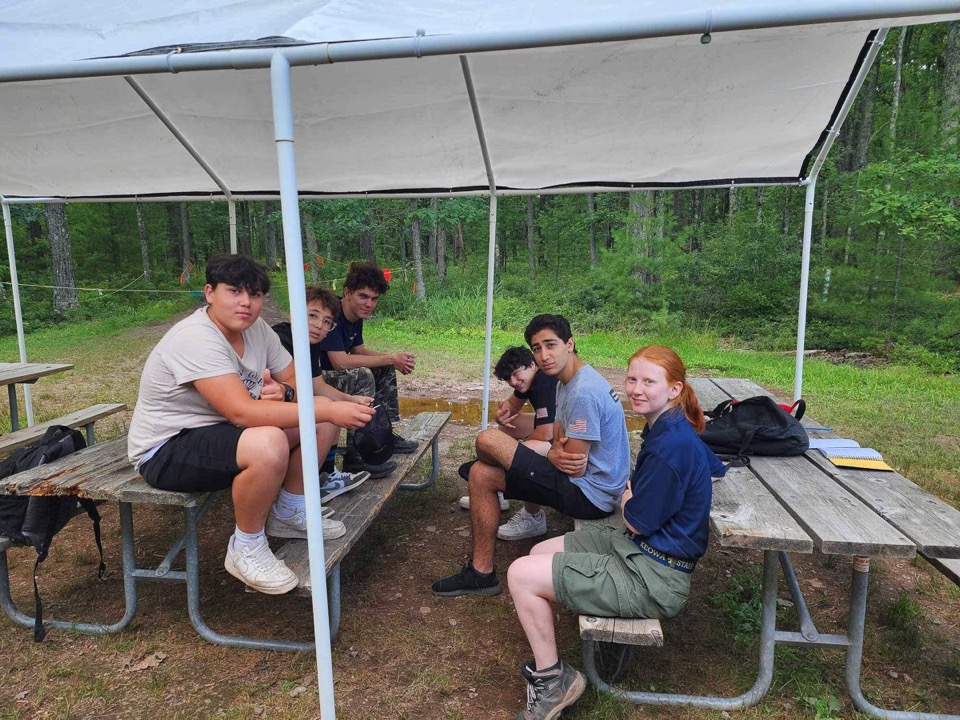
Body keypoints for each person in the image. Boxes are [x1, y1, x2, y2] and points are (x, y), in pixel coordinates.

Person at [127, 254, 375, 596]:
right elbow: (242, 413)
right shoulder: (195, 337)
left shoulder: (258, 331)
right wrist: (322, 409)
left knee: (322, 419)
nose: (246, 302)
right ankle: (246, 546)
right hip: (167, 448)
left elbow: (297, 381)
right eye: (235, 291)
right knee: (276, 438)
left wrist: (287, 391)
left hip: (222, 433)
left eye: (255, 294)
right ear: (210, 293)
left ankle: (289, 510)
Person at [505, 345, 725, 719]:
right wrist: (642, 494)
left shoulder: (671, 445)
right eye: (632, 379)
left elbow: (637, 519)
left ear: (674, 389)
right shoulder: (669, 426)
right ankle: (606, 642)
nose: (636, 389)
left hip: (655, 576)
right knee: (538, 553)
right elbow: (714, 467)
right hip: (638, 548)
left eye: (649, 382)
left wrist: (628, 497)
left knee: (520, 575)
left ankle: (553, 681)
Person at [432, 314, 630, 597]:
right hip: (584, 484)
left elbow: (572, 465)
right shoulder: (565, 381)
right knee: (480, 473)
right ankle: (481, 574)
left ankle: (517, 502)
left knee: (488, 439)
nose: (544, 355)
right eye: (537, 348)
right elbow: (558, 435)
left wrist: (550, 454)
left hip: (591, 495)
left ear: (570, 344)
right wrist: (554, 451)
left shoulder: (583, 392)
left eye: (551, 345)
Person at [272, 285, 397, 479]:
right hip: (271, 416)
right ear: (293, 314)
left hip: (288, 412)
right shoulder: (281, 339)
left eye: (326, 322)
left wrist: (349, 399)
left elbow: (318, 385)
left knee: (332, 407)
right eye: (312, 316)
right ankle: (317, 476)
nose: (318, 325)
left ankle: (327, 473)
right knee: (327, 410)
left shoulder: (311, 344)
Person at [318, 261, 419, 469]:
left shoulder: (355, 315)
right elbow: (340, 361)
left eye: (374, 299)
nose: (369, 304)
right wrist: (390, 358)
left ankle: (384, 434)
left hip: (331, 375)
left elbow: (359, 351)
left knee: (383, 367)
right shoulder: (332, 313)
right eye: (363, 296)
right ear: (347, 292)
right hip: (314, 379)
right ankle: (357, 455)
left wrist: (393, 359)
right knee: (362, 375)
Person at [458, 346, 556, 539]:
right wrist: (501, 416)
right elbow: (511, 406)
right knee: (508, 427)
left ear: (531, 365)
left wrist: (510, 452)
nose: (513, 382)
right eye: (508, 379)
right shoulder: (528, 379)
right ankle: (498, 492)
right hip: (555, 427)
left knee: (525, 456)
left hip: (567, 437)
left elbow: (545, 434)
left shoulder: (545, 382)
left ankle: (533, 517)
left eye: (516, 374)